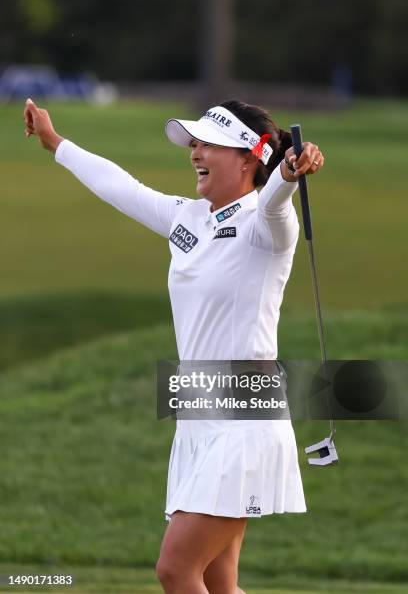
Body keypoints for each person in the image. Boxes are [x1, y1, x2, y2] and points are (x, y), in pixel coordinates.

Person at [23, 97, 324, 594]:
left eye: (209, 144)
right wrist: (56, 143)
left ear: (250, 157)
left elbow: (274, 202)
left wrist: (288, 176)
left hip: (245, 418)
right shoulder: (188, 220)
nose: (195, 153)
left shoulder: (266, 226)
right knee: (216, 580)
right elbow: (120, 186)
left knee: (175, 569)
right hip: (200, 413)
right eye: (195, 143)